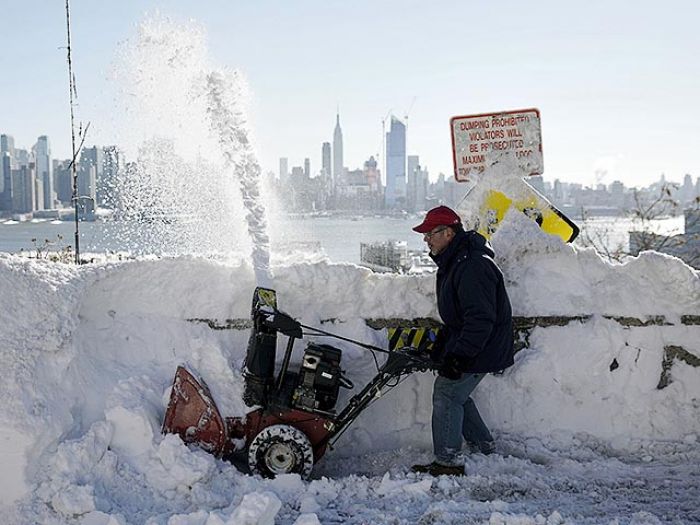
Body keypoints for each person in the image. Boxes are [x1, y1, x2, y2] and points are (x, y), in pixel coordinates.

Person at [410, 205, 514, 476]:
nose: (426, 240)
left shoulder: (471, 265)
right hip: (477, 342)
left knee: (446, 392)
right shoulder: (456, 261)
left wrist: (459, 357)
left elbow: (480, 319)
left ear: (448, 232)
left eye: (430, 234)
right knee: (457, 393)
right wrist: (442, 348)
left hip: (484, 345)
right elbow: (457, 317)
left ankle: (447, 462)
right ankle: (484, 446)